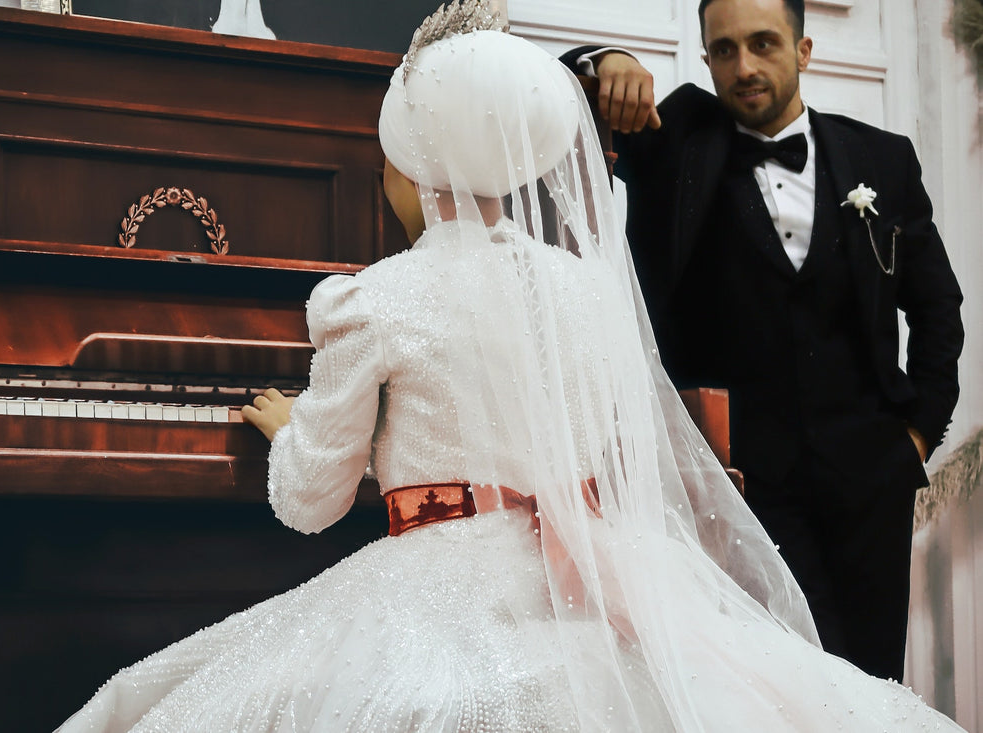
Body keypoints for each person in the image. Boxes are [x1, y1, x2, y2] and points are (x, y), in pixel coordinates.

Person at [56, 2, 966, 730]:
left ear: (409, 166)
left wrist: (299, 429)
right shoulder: (587, 291)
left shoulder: (376, 298)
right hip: (586, 578)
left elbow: (308, 502)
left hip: (445, 589)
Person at [560, 0, 964, 683]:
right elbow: (556, 99)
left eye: (763, 44)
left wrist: (915, 440)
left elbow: (938, 309)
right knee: (776, 690)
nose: (743, 67)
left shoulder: (882, 159)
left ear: (804, 49)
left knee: (872, 687)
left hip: (870, 485)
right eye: (723, 50)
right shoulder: (677, 139)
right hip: (743, 492)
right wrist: (605, 63)